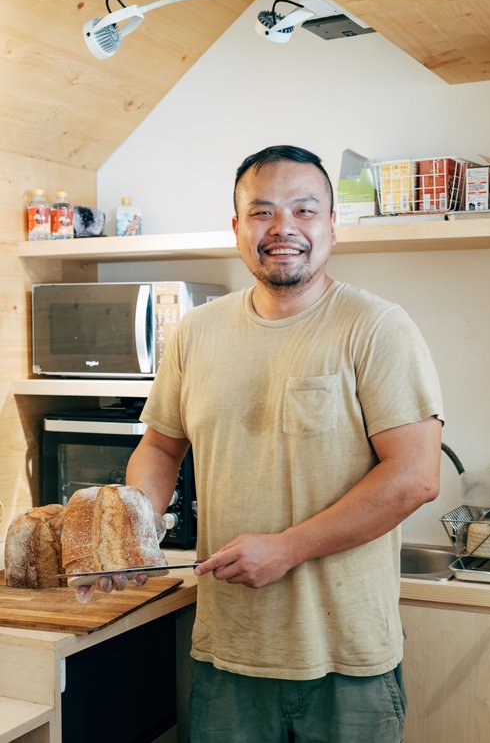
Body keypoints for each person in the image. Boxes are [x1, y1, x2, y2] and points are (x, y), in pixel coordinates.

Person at [125, 145, 444, 743]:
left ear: (331, 225)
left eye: (304, 210)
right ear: (238, 227)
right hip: (227, 650)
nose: (283, 229)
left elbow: (415, 476)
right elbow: (162, 448)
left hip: (346, 661)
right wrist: (131, 527)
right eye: (262, 212)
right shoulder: (197, 331)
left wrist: (287, 548)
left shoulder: (376, 327)